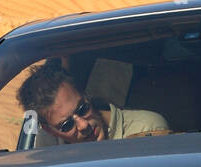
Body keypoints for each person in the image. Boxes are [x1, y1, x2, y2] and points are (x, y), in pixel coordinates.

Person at [16, 61, 168, 143]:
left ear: (86, 96)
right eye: (67, 125)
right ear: (49, 130)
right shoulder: (48, 148)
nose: (83, 125)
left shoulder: (147, 128)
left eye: (82, 109)